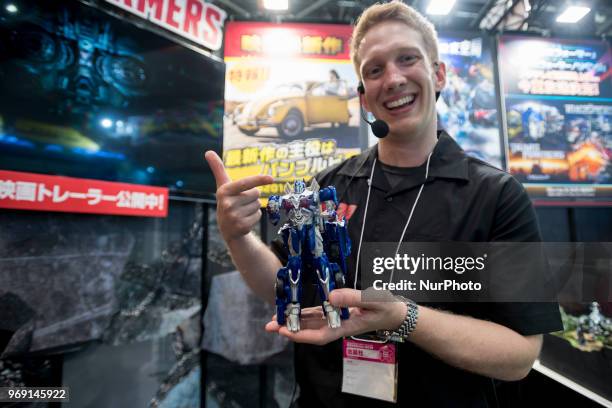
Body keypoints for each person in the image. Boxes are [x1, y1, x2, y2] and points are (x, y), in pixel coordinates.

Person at [205, 1, 562, 406]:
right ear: (364, 99)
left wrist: (404, 318)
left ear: (439, 74)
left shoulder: (496, 196)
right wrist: (237, 236)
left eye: (407, 59)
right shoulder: (328, 186)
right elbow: (283, 283)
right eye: (374, 70)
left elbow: (519, 357)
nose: (392, 79)